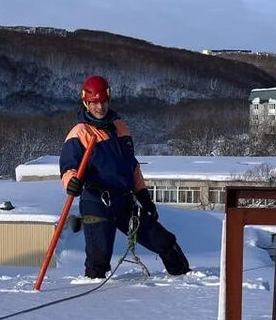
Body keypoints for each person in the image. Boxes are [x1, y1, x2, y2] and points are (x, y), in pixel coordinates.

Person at [59, 75, 190, 280]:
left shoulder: (120, 127)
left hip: (124, 200)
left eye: (103, 102)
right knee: (99, 258)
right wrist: (71, 182)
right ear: (86, 103)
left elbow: (132, 166)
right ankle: (93, 298)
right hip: (96, 202)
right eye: (94, 103)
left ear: (109, 100)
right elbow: (68, 167)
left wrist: (144, 197)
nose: (100, 107)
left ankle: (186, 278)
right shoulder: (80, 132)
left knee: (163, 241)